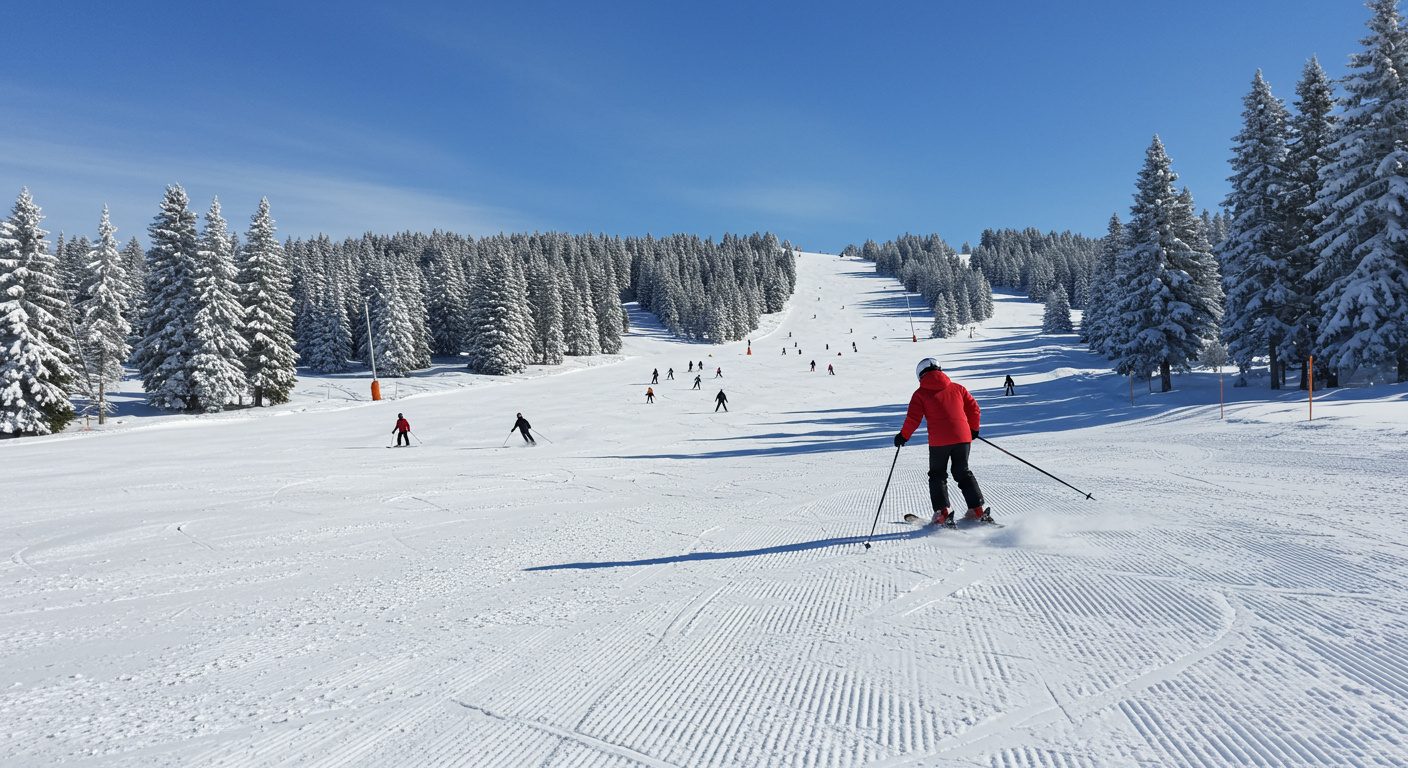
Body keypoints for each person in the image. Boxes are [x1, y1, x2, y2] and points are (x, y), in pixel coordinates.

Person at [894, 358, 988, 526]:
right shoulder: (958, 388)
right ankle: (977, 509)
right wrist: (973, 429)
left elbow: (913, 418)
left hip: (939, 441)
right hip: (963, 438)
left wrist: (904, 436)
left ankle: (942, 513)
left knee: (937, 475)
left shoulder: (920, 393)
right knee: (962, 472)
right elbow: (974, 409)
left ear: (921, 374)